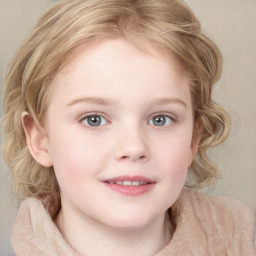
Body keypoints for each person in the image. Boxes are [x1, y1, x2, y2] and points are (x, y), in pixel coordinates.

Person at [2, 0, 255, 255]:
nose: (134, 147)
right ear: (39, 139)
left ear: (193, 139)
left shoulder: (242, 240)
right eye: (94, 119)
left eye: (160, 119)